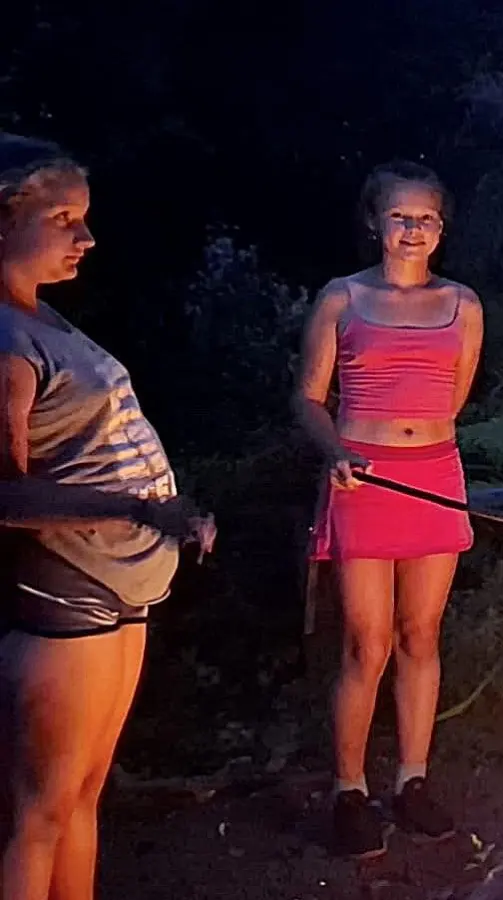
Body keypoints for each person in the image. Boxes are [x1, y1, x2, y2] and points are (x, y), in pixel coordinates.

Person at [0, 134, 215, 900]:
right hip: (65, 592)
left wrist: (170, 512)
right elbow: (5, 494)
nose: (85, 237)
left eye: (84, 218)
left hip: (118, 587)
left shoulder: (44, 320)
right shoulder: (6, 338)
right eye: (63, 218)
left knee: (84, 796)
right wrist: (134, 507)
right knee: (40, 810)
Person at [294, 161, 484, 858]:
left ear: (442, 227)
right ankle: (348, 789)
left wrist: (420, 442)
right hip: (363, 482)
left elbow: (453, 398)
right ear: (374, 221)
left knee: (421, 635)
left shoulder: (463, 303)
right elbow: (308, 398)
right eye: (399, 217)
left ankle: (411, 779)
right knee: (364, 643)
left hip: (433, 476)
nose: (412, 230)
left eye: (426, 218)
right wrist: (336, 451)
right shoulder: (342, 299)